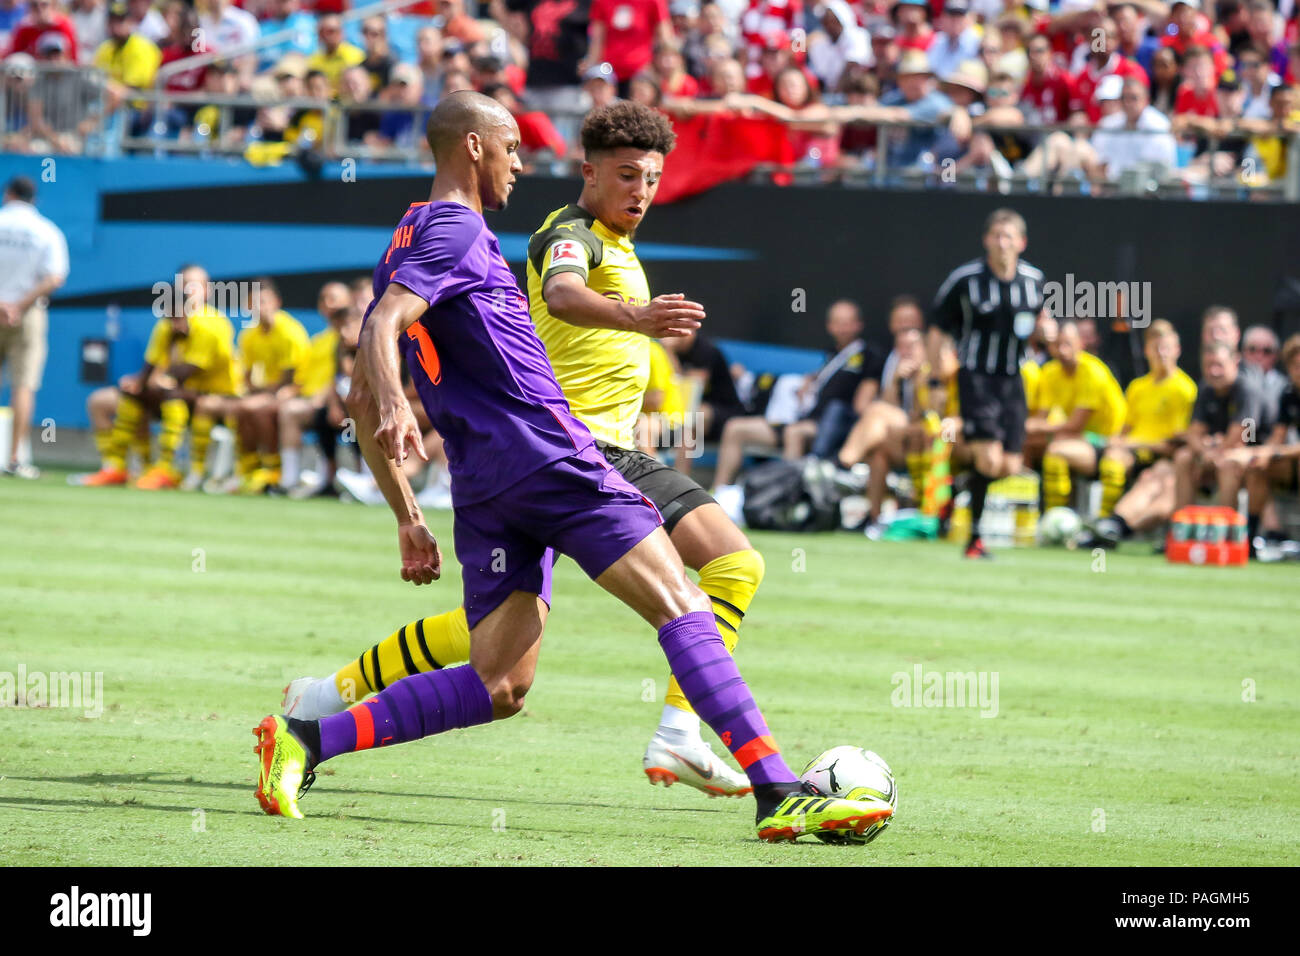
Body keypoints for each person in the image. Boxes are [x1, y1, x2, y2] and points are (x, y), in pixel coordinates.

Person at [254, 92, 892, 842]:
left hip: (485, 485)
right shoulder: (459, 229)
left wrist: (408, 514)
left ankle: (303, 737)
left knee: (500, 683)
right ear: (473, 150)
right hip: (551, 454)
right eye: (512, 148)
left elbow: (361, 388)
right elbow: (386, 357)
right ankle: (776, 790)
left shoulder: (405, 241)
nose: (522, 164)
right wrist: (400, 406)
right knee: (686, 603)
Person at [926, 208, 1046, 559]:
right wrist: (935, 378)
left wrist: (1047, 331)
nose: (1002, 243)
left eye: (1009, 236)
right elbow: (938, 330)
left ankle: (957, 490)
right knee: (990, 460)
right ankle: (975, 539)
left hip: (1013, 379)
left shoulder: (1034, 280)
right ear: (986, 241)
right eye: (996, 235)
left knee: (1009, 466)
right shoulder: (965, 280)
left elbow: (1040, 323)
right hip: (976, 377)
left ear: (1021, 243)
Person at [711, 299, 879, 493]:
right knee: (735, 428)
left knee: (794, 433)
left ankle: (783, 498)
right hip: (798, 418)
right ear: (829, 326)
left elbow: (862, 403)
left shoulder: (869, 357)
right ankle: (718, 493)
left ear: (859, 324)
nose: (842, 328)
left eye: (847, 322)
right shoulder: (831, 355)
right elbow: (825, 383)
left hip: (829, 428)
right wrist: (810, 383)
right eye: (837, 322)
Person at [1086, 320, 1198, 549]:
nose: (1161, 354)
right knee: (1113, 462)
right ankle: (1107, 524)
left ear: (1178, 350)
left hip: (1165, 460)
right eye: (1156, 347)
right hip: (1137, 455)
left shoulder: (1184, 389)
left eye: (1166, 347)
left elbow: (1173, 445)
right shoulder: (1137, 387)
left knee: (1157, 481)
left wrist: (1132, 443)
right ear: (1146, 350)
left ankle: (1115, 528)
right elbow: (1125, 430)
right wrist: (1118, 442)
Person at [0, 175, 68, 478]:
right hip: (27, 316)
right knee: (23, 385)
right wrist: (19, 306)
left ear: (8, 194)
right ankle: (15, 459)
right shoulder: (46, 230)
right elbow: (54, 277)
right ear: (33, 199)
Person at [1029, 320, 1127, 513]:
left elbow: (1075, 424)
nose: (1063, 351)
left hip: (1107, 441)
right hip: (1077, 438)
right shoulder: (1049, 372)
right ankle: (1026, 510)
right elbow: (1042, 418)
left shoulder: (1093, 371)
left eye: (1068, 344)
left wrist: (1035, 427)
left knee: (1055, 450)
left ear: (1080, 344)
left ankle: (1097, 521)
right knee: (1027, 442)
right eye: (1057, 345)